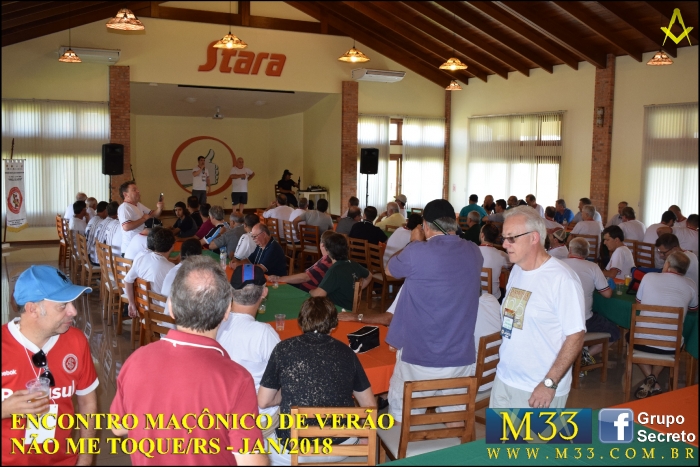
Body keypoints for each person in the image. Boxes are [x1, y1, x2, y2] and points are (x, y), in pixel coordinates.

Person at [110, 256, 267, 465]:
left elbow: (118, 427)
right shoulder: (237, 379)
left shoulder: (135, 361)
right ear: (227, 311)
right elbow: (251, 462)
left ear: (171, 308)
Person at [386, 199, 483, 422]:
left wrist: (413, 242)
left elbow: (389, 270)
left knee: (403, 419)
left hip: (419, 358)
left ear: (425, 226)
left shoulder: (417, 252)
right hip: (460, 357)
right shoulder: (474, 251)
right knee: (454, 422)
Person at [258, 297, 375, 465]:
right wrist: (363, 436)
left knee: (256, 443)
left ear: (300, 322)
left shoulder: (283, 349)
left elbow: (263, 401)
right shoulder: (347, 353)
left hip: (295, 449)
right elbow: (369, 405)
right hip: (342, 445)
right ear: (334, 325)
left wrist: (290, 390)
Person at [490, 206, 586, 409]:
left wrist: (549, 383)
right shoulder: (517, 270)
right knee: (499, 432)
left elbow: (576, 336)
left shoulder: (562, 279)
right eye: (504, 238)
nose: (505, 244)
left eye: (511, 238)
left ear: (534, 238)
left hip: (538, 389)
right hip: (505, 380)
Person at [2, 266, 98, 466]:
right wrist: (4, 410)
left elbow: (87, 403)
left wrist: (85, 458)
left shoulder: (76, 341)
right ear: (33, 309)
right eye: (62, 305)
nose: (73, 311)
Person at [217, 265, 281, 439]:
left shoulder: (213, 324)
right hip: (254, 422)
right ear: (264, 293)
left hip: (218, 416)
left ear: (230, 292)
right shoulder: (264, 333)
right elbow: (285, 377)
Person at [632, 251, 698, 398]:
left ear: (667, 265)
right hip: (670, 347)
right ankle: (653, 379)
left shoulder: (648, 277)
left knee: (631, 337)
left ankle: (651, 378)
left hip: (641, 343)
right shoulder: (691, 284)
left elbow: (639, 302)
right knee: (672, 340)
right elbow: (694, 308)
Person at [563, 238, 616, 363]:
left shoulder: (558, 264)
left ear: (570, 250)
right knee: (614, 332)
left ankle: (576, 355)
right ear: (587, 253)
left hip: (559, 319)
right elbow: (607, 294)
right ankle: (584, 357)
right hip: (584, 321)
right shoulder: (593, 267)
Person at [310, 233, 371, 310]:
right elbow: (369, 276)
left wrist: (311, 291)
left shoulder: (334, 270)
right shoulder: (354, 264)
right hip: (349, 308)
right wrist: (356, 290)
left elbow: (318, 295)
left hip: (336, 310)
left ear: (328, 251)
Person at [124, 227, 175, 318]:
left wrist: (131, 303)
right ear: (172, 247)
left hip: (142, 308)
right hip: (161, 314)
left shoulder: (141, 258)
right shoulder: (171, 268)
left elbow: (127, 280)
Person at [269, 230, 335, 292]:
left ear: (322, 245)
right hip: (303, 286)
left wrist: (279, 279)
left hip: (304, 291)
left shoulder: (327, 262)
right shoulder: (328, 258)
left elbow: (305, 277)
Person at [117, 181, 163, 255]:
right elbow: (126, 227)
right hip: (130, 249)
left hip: (138, 246)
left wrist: (159, 208)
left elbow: (153, 215)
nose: (138, 191)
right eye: (134, 190)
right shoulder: (125, 207)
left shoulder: (138, 205)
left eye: (137, 189)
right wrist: (143, 219)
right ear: (126, 194)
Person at [479, 223, 511, 300]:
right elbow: (512, 266)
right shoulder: (501, 255)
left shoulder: (471, 251)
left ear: (482, 235)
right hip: (494, 298)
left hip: (474, 296)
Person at [85, 201, 109, 265]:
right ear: (105, 211)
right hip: (93, 256)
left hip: (88, 252)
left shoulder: (92, 219)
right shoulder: (102, 222)